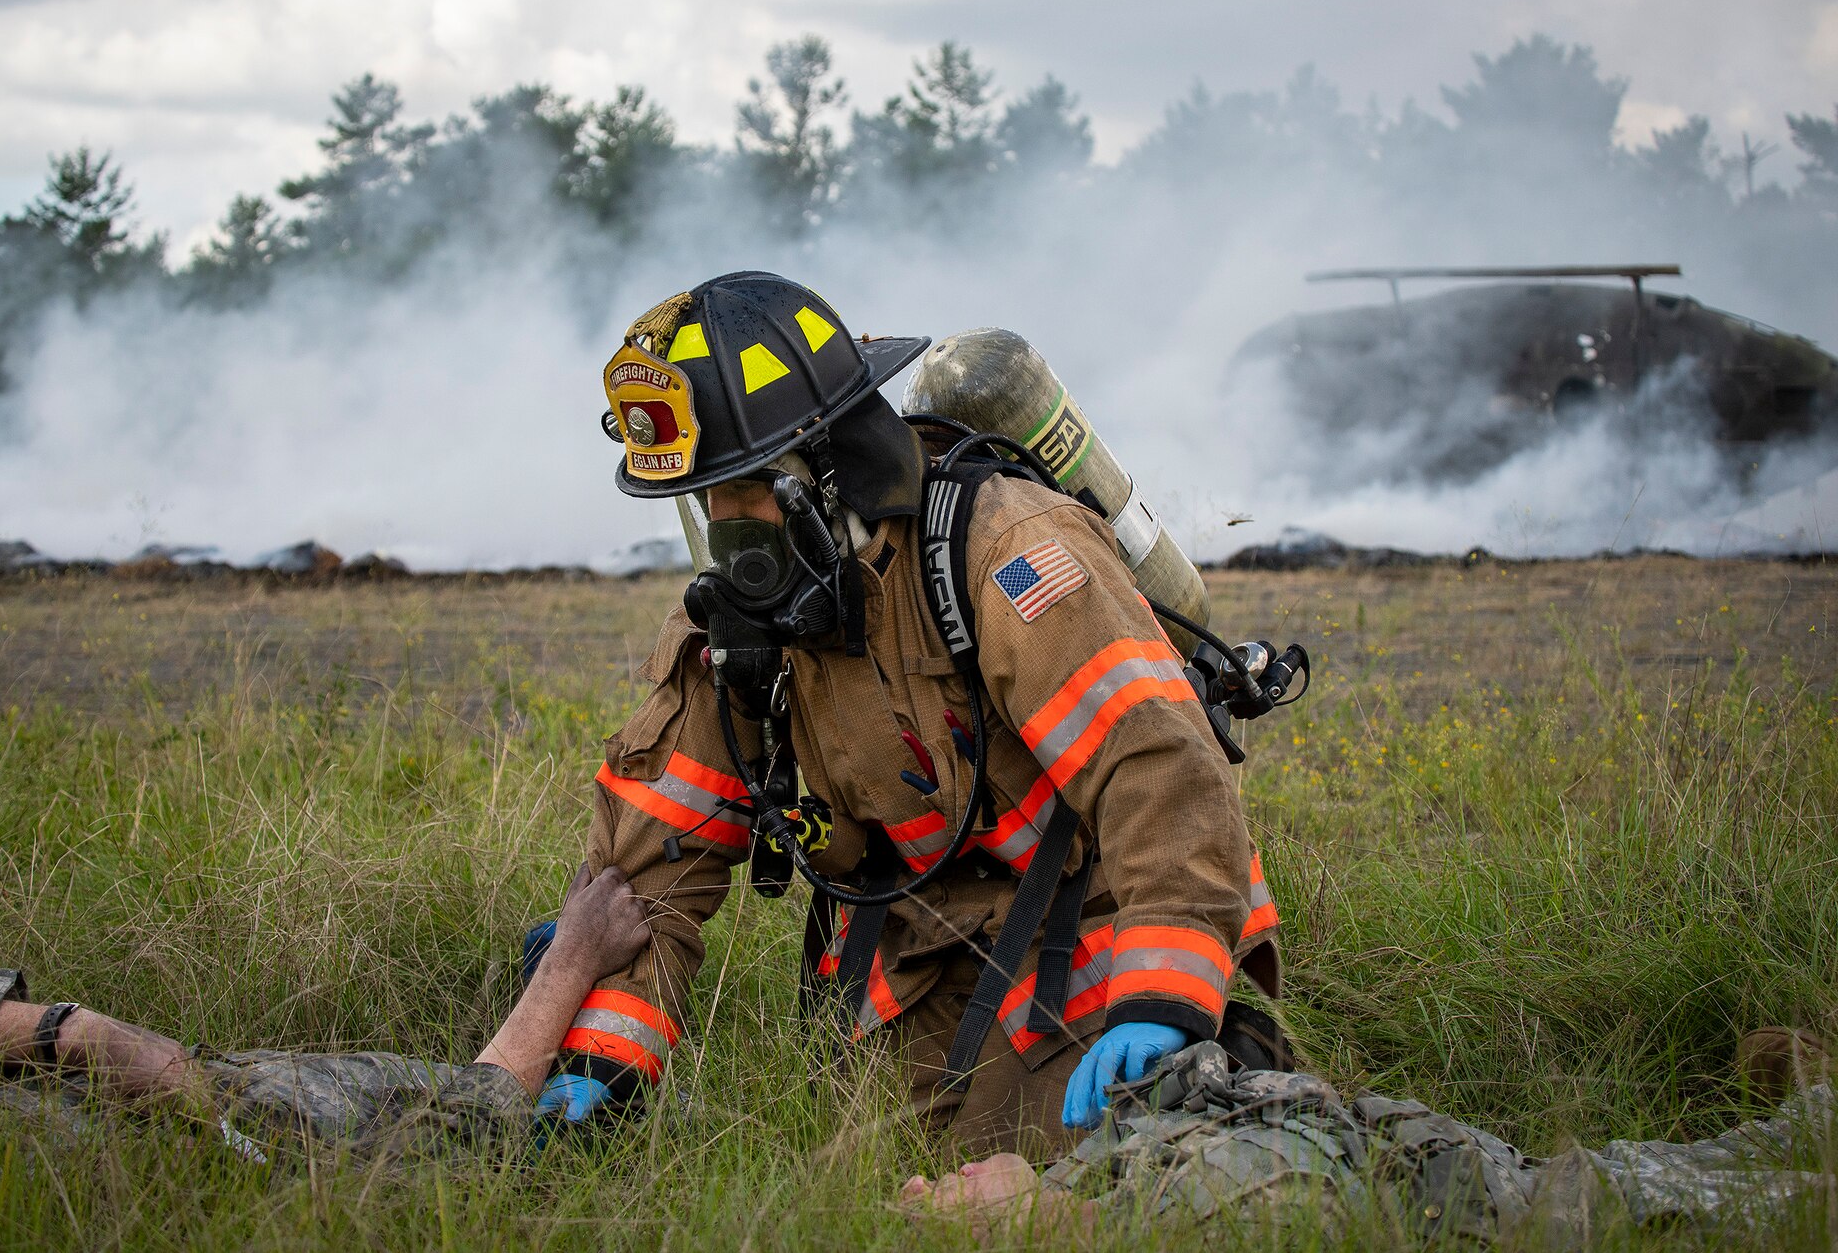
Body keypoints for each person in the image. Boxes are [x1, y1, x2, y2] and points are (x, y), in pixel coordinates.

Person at [545, 272, 1282, 1154]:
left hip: (1101, 917)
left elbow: (1158, 765)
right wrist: (598, 1065)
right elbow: (653, 859)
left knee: (1085, 1165)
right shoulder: (740, 631)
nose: (730, 533)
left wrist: (1164, 995)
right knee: (857, 1168)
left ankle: (1230, 1068)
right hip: (929, 952)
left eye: (747, 491)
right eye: (708, 502)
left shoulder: (1006, 551)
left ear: (829, 467)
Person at [0, 866, 650, 1161]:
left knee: (424, 1119)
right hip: (191, 1150)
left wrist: (75, 1033)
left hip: (180, 1104)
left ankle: (563, 994)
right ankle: (566, 981)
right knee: (453, 1142)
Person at [900, 1030, 1837, 1247]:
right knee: (1717, 1205)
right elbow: (1296, 1182)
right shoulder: (1167, 1213)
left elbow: (1218, 1079)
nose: (943, 1175)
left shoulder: (1099, 1178)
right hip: (1511, 1211)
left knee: (1651, 1168)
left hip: (1462, 1159)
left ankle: (1803, 1110)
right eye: (950, 1199)